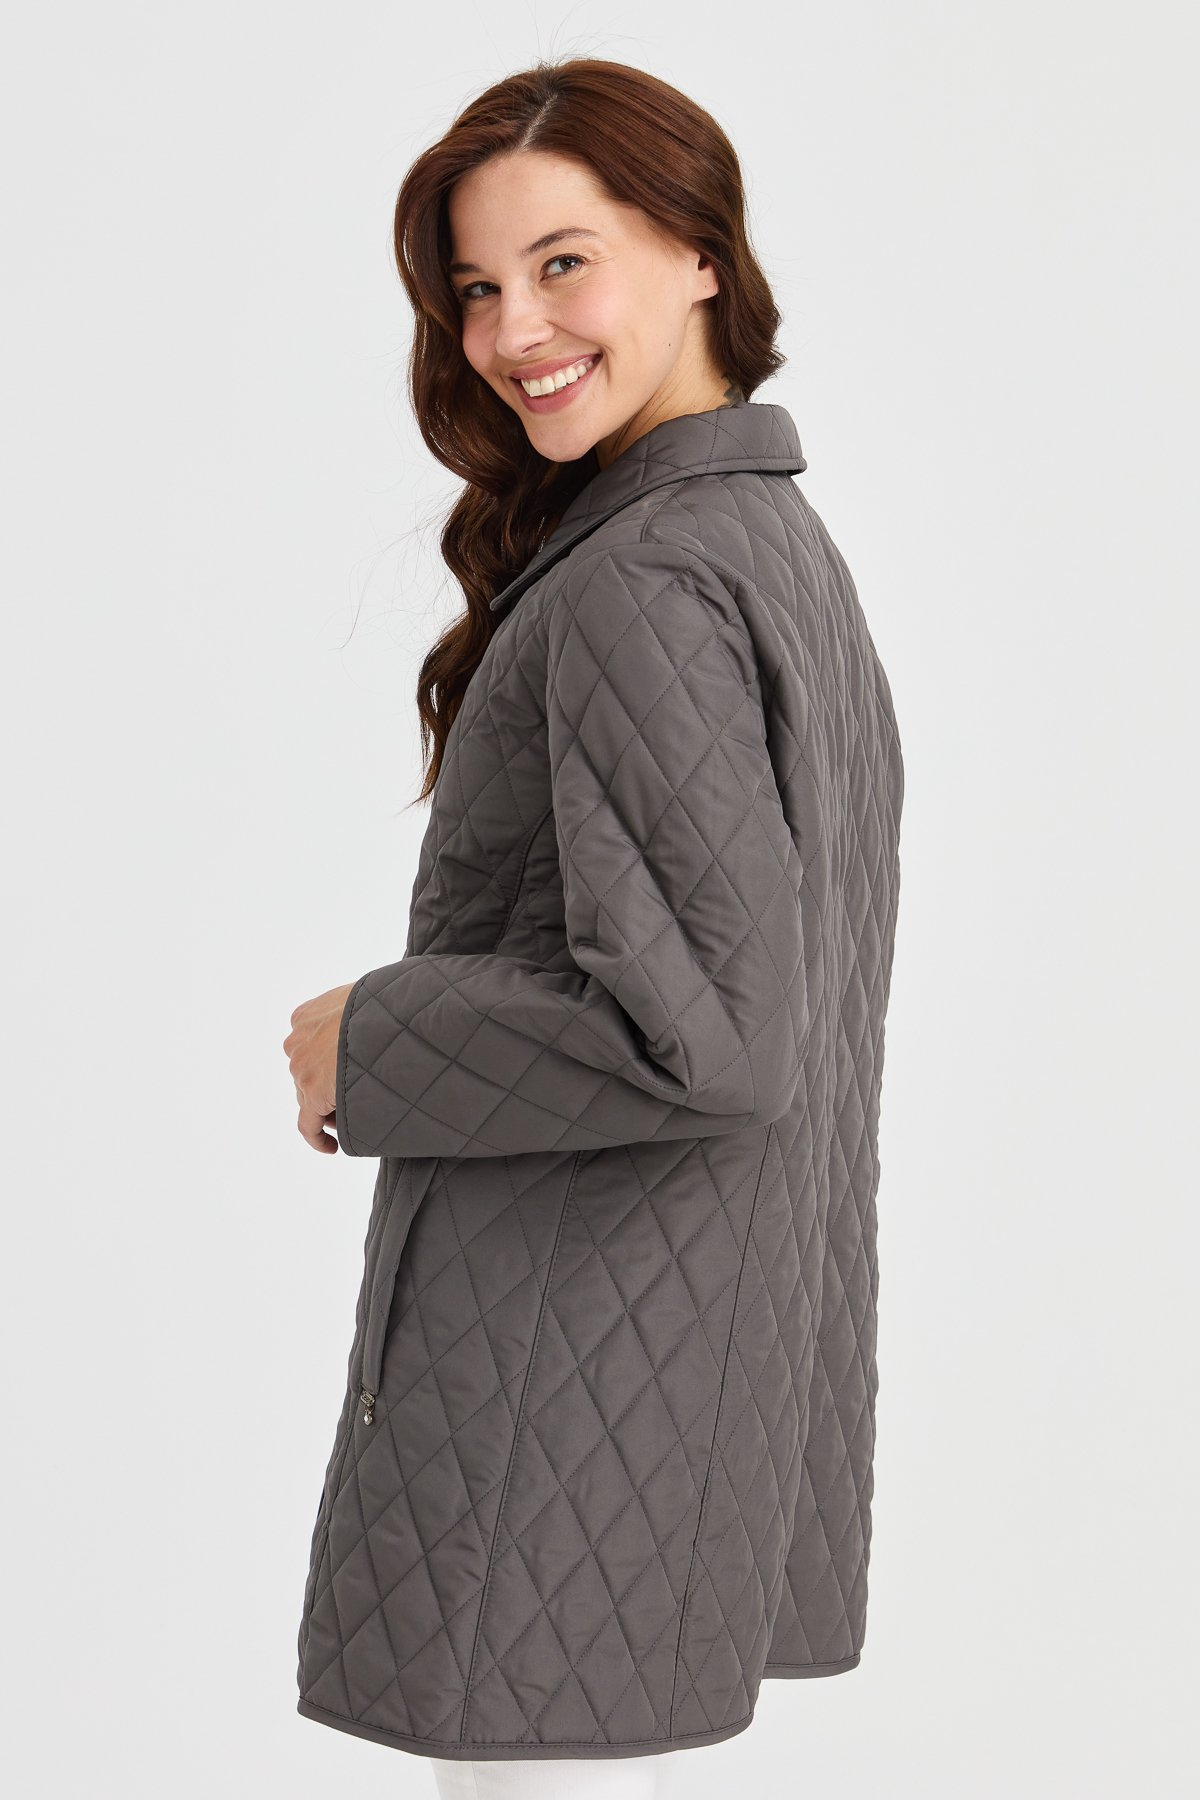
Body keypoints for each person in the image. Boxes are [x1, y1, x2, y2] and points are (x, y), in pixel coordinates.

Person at [284, 56, 904, 1800]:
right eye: (477, 287)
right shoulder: (770, 546)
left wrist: (369, 1041)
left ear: (700, 252)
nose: (511, 331)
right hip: (678, 1384)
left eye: (565, 263)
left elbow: (705, 1035)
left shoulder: (644, 579)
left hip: (568, 1395)